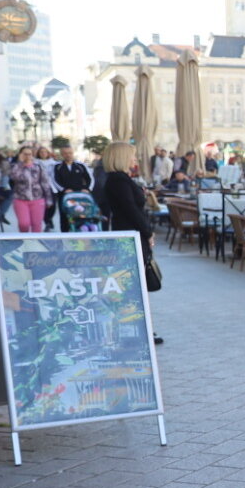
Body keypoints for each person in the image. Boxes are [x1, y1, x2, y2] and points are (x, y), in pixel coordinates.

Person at [98, 141, 163, 345]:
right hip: (130, 235)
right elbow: (130, 209)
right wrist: (148, 231)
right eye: (132, 156)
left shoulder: (121, 179)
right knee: (133, 284)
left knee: (135, 283)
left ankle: (140, 328)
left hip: (130, 234)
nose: (135, 159)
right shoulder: (118, 180)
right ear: (122, 157)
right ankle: (136, 329)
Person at [53, 145, 93, 234]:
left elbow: (90, 178)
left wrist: (87, 189)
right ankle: (65, 234)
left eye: (70, 153)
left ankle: (80, 232)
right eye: (65, 153)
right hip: (64, 196)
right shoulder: (58, 167)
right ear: (62, 154)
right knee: (64, 215)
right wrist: (63, 190)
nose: (68, 155)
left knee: (80, 214)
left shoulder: (80, 166)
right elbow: (55, 180)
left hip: (80, 196)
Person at [8, 146, 49, 233]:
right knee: (24, 223)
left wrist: (49, 198)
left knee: (37, 224)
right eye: (24, 154)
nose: (27, 156)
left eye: (29, 154)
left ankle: (36, 243)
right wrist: (20, 163)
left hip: (38, 198)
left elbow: (45, 182)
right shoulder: (15, 166)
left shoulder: (38, 166)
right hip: (20, 199)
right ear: (20, 155)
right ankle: (24, 241)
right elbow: (13, 177)